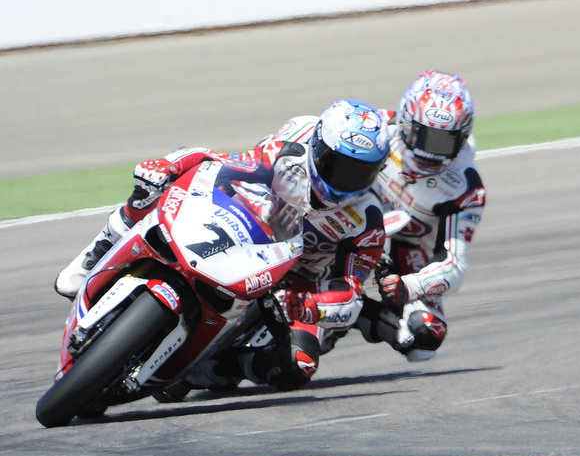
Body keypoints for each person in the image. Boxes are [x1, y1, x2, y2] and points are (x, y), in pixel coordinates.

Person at [54, 99, 391, 389]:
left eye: (360, 172)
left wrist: (308, 305)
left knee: (299, 365)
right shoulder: (289, 150)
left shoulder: (367, 218)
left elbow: (350, 296)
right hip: (251, 228)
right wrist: (168, 166)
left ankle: (215, 368)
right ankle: (96, 253)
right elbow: (217, 162)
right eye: (340, 166)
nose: (347, 181)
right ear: (318, 146)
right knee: (150, 190)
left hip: (296, 284)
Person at [357, 70, 486, 362]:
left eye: (442, 142)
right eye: (422, 136)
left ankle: (364, 316)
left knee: (425, 336)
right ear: (404, 121)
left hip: (407, 253)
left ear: (462, 138)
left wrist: (409, 286)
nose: (430, 151)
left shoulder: (465, 187)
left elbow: (454, 263)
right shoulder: (374, 130)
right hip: (347, 230)